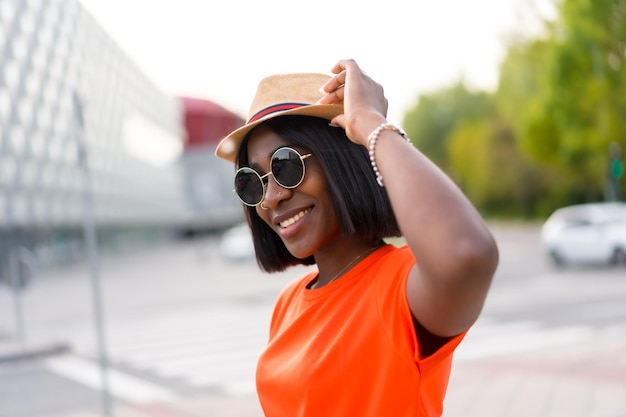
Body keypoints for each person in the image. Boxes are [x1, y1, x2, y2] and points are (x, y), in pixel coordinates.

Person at [215, 59, 499, 417]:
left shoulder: (399, 286)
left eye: (286, 165)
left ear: (341, 160)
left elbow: (467, 252)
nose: (271, 197)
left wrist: (369, 122)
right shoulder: (287, 305)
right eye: (252, 181)